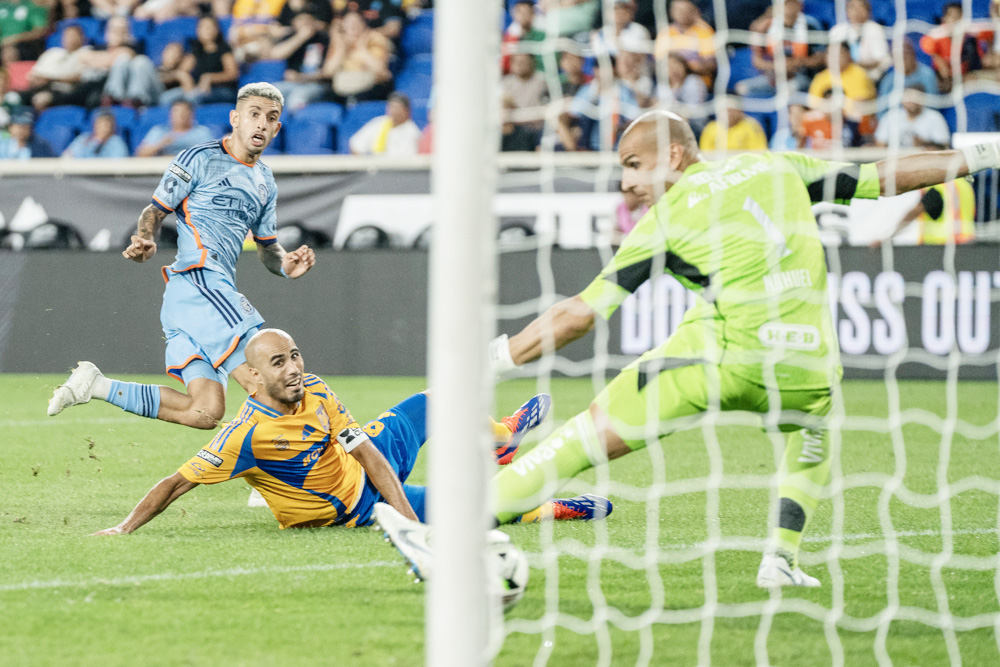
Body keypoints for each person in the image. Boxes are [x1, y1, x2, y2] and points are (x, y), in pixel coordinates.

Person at [471, 110, 1000, 588]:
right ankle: (781, 560)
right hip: (807, 370)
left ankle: (455, 531)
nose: (629, 183)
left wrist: (495, 359)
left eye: (634, 164)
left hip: (721, 363)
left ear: (675, 154)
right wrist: (985, 152)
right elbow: (884, 177)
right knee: (813, 428)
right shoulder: (777, 166)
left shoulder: (666, 219)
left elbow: (581, 314)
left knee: (581, 437)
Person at [91, 329, 611, 534]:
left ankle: (500, 439)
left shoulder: (314, 389)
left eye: (296, 354)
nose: (293, 367)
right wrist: (123, 528)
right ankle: (548, 507)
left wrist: (405, 520)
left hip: (364, 470)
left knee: (436, 399)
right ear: (257, 378)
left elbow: (363, 450)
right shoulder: (243, 437)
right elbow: (174, 482)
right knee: (475, 507)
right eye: (279, 362)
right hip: (354, 509)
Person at [48, 83, 317, 432]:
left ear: (278, 128)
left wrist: (284, 264)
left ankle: (95, 384)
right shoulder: (199, 158)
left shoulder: (265, 181)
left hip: (192, 297)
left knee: (204, 412)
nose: (262, 124)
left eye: (271, 118)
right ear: (236, 118)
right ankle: (270, 484)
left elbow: (268, 248)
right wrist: (145, 239)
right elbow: (155, 210)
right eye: (254, 115)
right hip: (199, 282)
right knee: (266, 381)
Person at [737, 0, 826, 98]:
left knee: (789, 90)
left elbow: (822, 58)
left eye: (792, 3)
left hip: (802, 76)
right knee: (742, 88)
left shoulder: (810, 25)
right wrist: (777, 66)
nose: (789, 7)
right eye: (786, 4)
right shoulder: (766, 27)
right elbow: (757, 61)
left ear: (799, 5)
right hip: (774, 77)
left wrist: (798, 63)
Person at [159, 14, 240, 106]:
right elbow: (184, 70)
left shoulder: (224, 49)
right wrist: (181, 76)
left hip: (222, 90)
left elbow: (233, 73)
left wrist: (210, 78)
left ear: (217, 29)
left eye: (209, 27)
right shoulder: (196, 50)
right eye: (202, 27)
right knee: (166, 98)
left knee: (194, 97)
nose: (206, 30)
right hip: (198, 89)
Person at [872, 177, 975, 246]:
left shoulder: (938, 186)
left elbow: (915, 212)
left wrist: (889, 237)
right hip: (968, 244)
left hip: (941, 246)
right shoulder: (964, 184)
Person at [653, 0, 716, 84]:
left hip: (696, 80)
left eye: (685, 10)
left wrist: (684, 66)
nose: (681, 13)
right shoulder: (665, 32)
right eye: (677, 9)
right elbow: (657, 62)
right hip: (669, 82)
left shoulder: (704, 31)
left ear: (695, 11)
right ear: (671, 11)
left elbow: (710, 64)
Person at [874, 84, 951, 150]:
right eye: (907, 97)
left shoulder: (934, 118)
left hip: (924, 162)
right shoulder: (891, 116)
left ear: (922, 99)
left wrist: (925, 143)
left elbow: (945, 145)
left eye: (915, 97)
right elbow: (880, 143)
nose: (911, 102)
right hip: (895, 161)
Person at [827, 0, 890, 81]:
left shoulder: (875, 29)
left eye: (861, 7)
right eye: (852, 7)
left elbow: (880, 60)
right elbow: (830, 57)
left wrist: (853, 65)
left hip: (870, 77)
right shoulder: (837, 30)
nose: (857, 11)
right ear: (847, 11)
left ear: (868, 11)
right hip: (841, 77)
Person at [135, 98, 215, 157]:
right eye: (176, 112)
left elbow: (211, 156)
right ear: (170, 114)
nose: (180, 116)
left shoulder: (201, 132)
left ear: (191, 114)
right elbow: (140, 154)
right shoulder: (159, 131)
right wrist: (160, 144)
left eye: (184, 112)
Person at [348, 91, 420, 156]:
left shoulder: (412, 132)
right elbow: (355, 144)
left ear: (406, 111)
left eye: (397, 108)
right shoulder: (378, 123)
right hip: (373, 168)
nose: (393, 111)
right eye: (391, 107)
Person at [698, 99, 768, 152]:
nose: (728, 114)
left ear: (739, 112)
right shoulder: (711, 128)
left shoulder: (751, 126)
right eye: (724, 111)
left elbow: (759, 152)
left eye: (731, 111)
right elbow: (705, 153)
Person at [62, 111, 130, 158]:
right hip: (79, 175)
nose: (103, 127)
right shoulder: (83, 138)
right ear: (95, 124)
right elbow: (67, 156)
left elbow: (117, 164)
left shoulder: (116, 142)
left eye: (106, 124)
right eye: (100, 123)